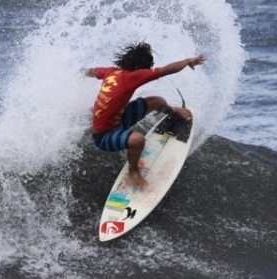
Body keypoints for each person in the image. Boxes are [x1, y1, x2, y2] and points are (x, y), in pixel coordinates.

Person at [82, 42, 206, 187]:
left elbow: (91, 71)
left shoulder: (110, 72)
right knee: (138, 140)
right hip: (103, 136)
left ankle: (173, 111)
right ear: (139, 68)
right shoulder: (133, 76)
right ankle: (133, 171)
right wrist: (187, 61)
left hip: (117, 121)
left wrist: (81, 73)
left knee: (156, 101)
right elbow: (167, 70)